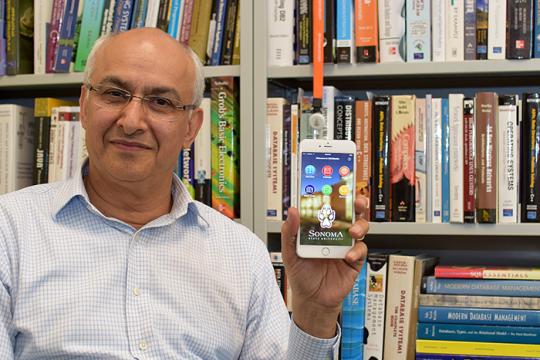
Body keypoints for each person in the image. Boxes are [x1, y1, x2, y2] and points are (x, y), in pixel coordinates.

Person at [0, 28, 369, 359]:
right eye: (114, 94)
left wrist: (315, 311)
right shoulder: (10, 232)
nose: (130, 121)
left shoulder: (241, 253)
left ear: (192, 127)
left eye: (161, 102)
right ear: (83, 105)